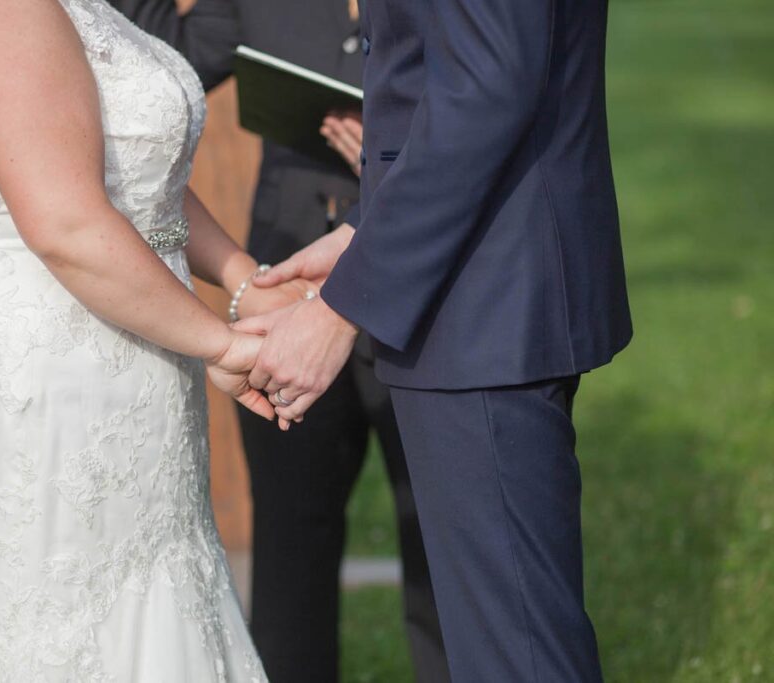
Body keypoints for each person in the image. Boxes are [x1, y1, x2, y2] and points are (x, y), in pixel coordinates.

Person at [0, 0, 318, 679]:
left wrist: (242, 283)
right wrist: (222, 346)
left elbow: (132, 171)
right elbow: (69, 223)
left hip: (112, 352)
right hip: (50, 378)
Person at [246, 0, 634, 681]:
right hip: (483, 282)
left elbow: (490, 81)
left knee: (514, 655)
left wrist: (343, 310)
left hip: (480, 299)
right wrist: (365, 232)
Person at [108, 2, 449, 681]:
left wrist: (398, 143)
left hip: (429, 296)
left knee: (443, 556)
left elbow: (488, 94)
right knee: (290, 552)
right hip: (283, 292)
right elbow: (155, 53)